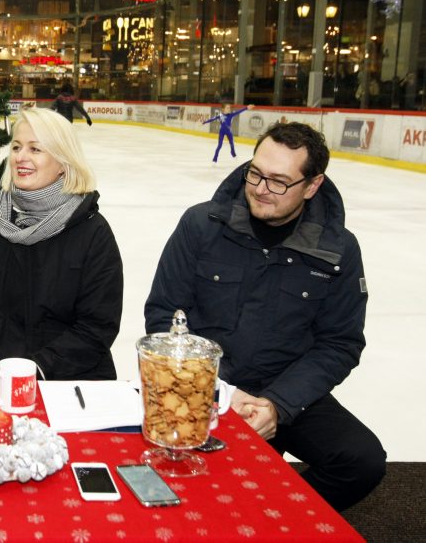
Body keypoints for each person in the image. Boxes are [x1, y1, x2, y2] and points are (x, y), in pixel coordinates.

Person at [144, 122, 386, 511]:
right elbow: (162, 315)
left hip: (289, 390)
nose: (260, 188)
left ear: (311, 186)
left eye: (278, 181)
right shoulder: (201, 225)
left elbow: (340, 343)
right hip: (206, 385)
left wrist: (278, 404)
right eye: (255, 173)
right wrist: (221, 392)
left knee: (360, 460)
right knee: (195, 480)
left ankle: (275, 518)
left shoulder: (337, 249)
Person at [0, 107, 123, 380]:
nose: (20, 157)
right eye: (16, 147)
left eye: (35, 149)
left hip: (65, 379)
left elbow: (96, 328)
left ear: (62, 162)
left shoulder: (93, 232)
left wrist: (35, 370)